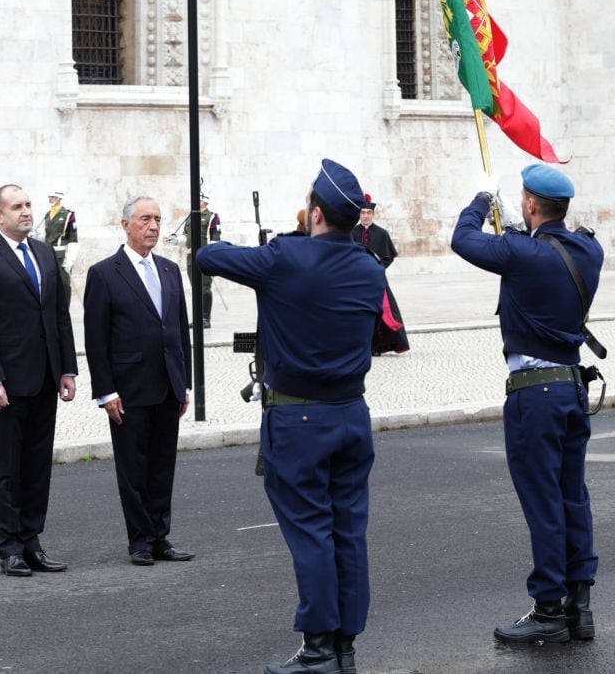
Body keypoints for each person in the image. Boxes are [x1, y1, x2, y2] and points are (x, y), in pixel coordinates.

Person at [197, 159, 385, 674]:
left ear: (316, 213)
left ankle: (319, 647)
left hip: (299, 422)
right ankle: (345, 644)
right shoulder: (370, 268)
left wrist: (281, 242)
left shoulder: (285, 257)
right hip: (351, 414)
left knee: (311, 534)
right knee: (348, 531)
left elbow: (208, 255)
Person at [451, 164, 604, 644]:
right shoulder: (589, 249)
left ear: (532, 204)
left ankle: (547, 609)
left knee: (543, 504)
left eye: (521, 197)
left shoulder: (521, 252)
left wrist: (481, 198)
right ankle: (579, 607)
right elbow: (541, 250)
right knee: (571, 497)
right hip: (571, 386)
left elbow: (462, 238)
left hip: (534, 392)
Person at [0, 184, 78, 578]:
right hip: (7, 384)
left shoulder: (44, 253)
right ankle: (9, 547)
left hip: (44, 378)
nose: (26, 212)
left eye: (28, 205)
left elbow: (60, 315)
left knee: (37, 466)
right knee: (7, 467)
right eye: (17, 207)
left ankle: (32, 542)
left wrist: (67, 368)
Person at [83, 195, 195, 566]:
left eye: (159, 220)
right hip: (128, 388)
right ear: (126, 224)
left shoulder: (168, 270)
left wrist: (185, 383)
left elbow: (180, 329)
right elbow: (96, 340)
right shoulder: (104, 273)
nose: (154, 226)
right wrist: (106, 391)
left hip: (167, 384)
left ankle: (160, 535)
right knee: (134, 468)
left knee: (163, 466)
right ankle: (140, 541)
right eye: (145, 219)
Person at [351, 195, 409, 355]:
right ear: (359, 214)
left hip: (377, 279)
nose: (366, 216)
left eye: (368, 213)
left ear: (373, 214)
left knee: (381, 313)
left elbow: (388, 257)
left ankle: (377, 347)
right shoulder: (351, 233)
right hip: (357, 280)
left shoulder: (382, 234)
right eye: (363, 213)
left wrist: (377, 269)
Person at [181, 191, 221, 328]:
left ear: (204, 201)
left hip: (205, 256)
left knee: (204, 288)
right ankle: (197, 318)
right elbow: (185, 238)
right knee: (195, 289)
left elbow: (215, 238)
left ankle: (205, 318)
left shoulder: (212, 217)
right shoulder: (190, 217)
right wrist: (176, 240)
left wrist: (212, 258)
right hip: (191, 257)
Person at [34, 188, 79, 306]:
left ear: (59, 198)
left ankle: (64, 309)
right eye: (49, 197)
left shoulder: (69, 215)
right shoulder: (48, 215)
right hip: (48, 255)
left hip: (62, 257)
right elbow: (47, 235)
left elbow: (73, 239)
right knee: (49, 283)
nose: (50, 199)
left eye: (52, 197)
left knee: (64, 284)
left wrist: (70, 260)